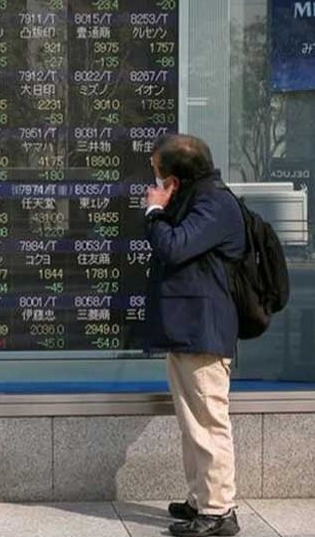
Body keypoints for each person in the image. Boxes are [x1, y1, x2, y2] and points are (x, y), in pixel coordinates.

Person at [144, 134, 246, 537]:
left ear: (177, 176)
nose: (155, 179)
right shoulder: (198, 198)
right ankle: (200, 499)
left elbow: (174, 247)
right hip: (187, 331)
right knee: (192, 424)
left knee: (208, 422)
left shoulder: (215, 203)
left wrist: (154, 211)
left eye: (159, 172)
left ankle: (220, 511)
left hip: (205, 331)